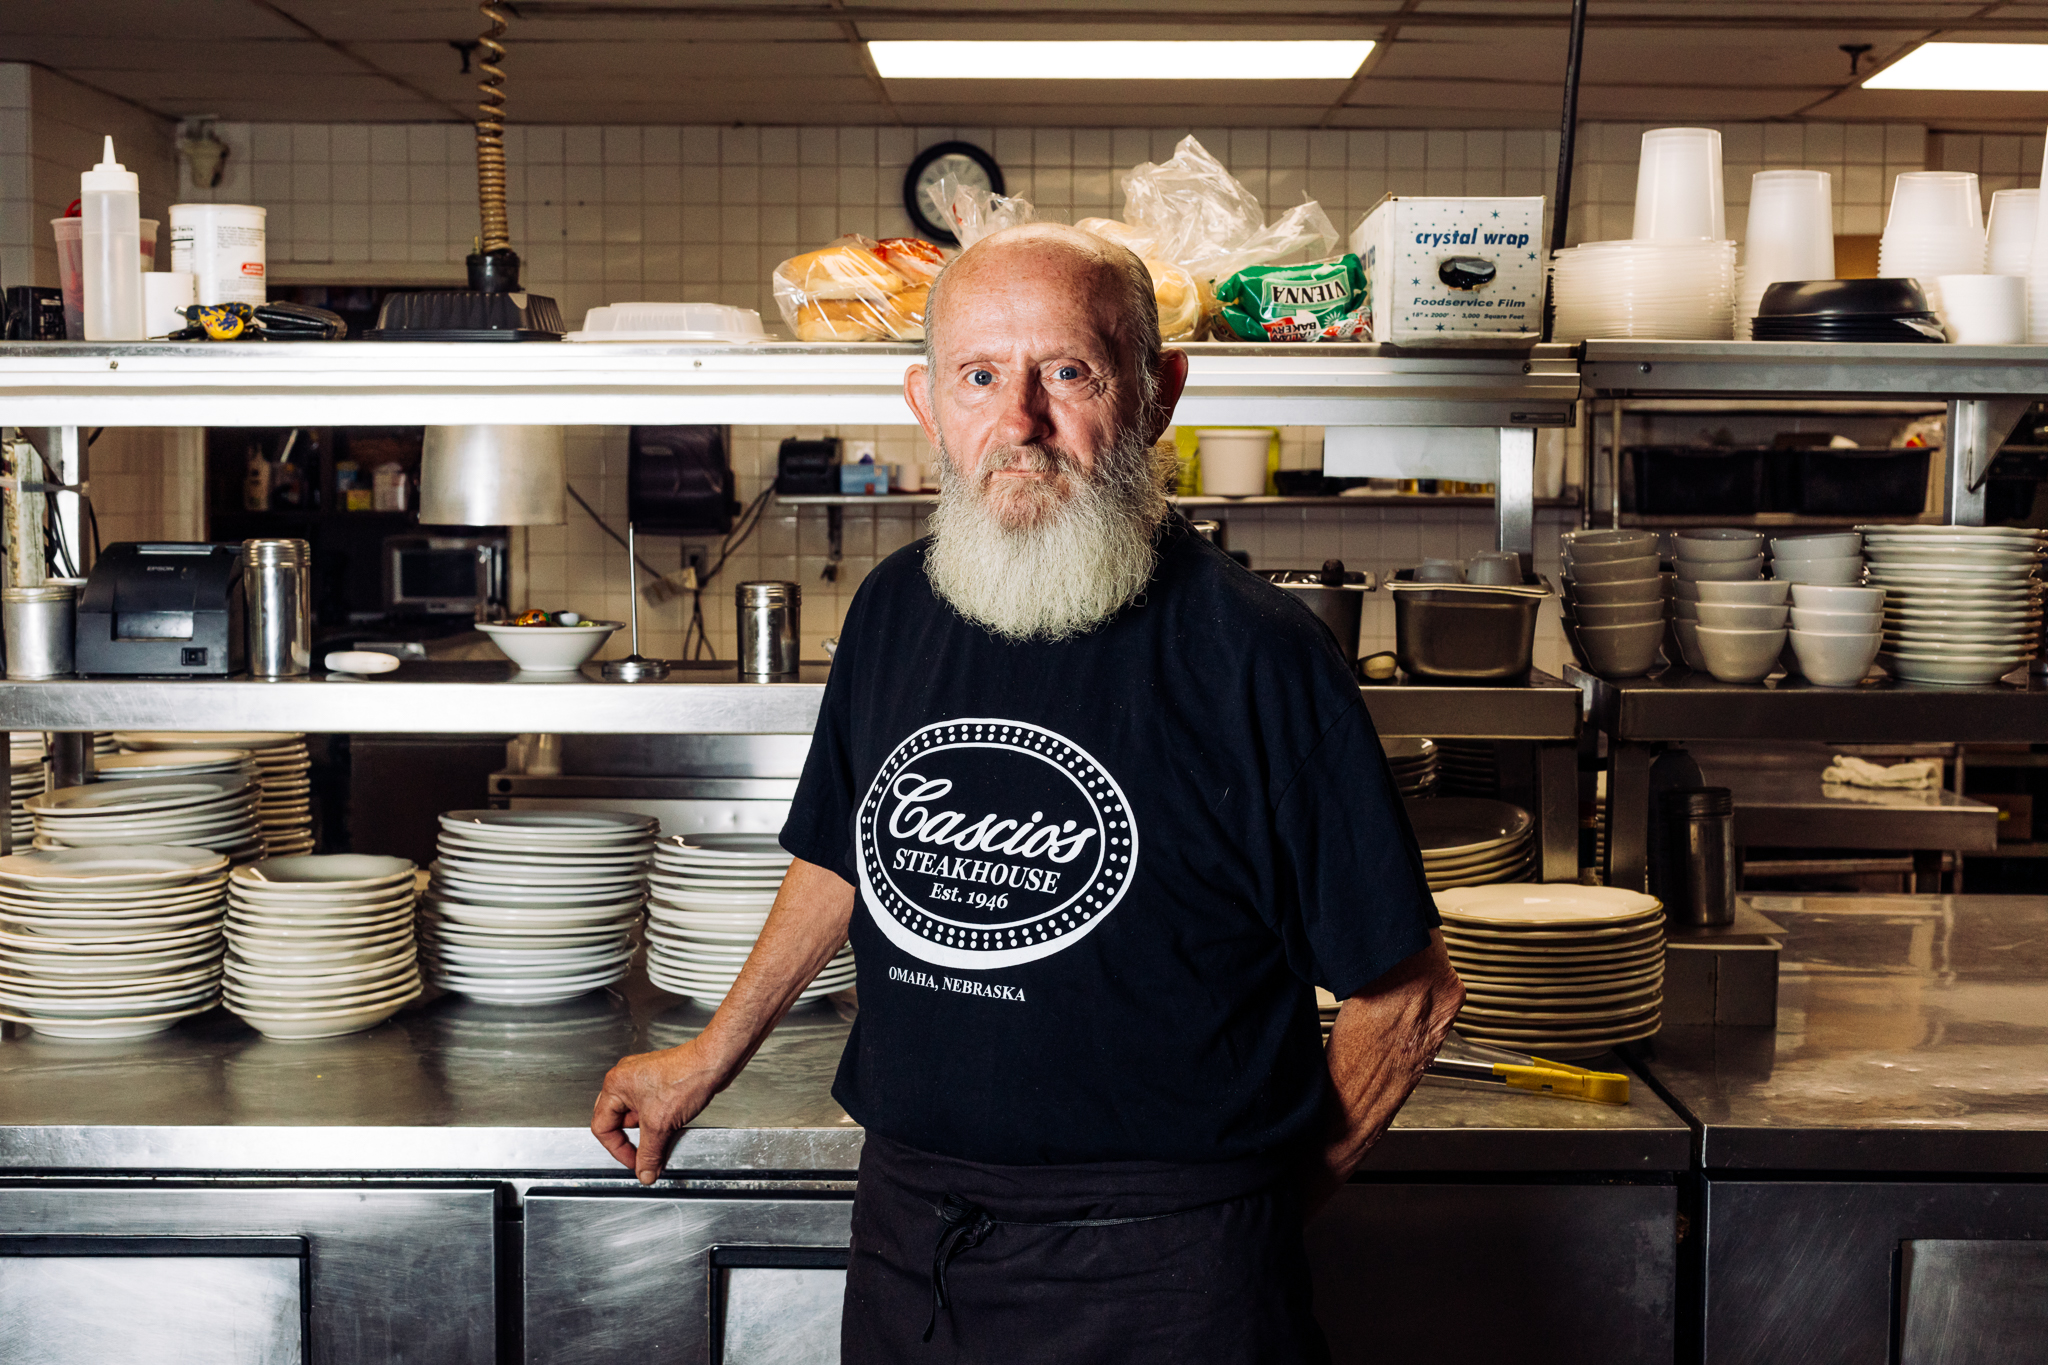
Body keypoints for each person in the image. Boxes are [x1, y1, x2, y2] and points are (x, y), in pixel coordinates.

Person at [592, 222, 1465, 1364]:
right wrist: (706, 1056)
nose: (1020, 422)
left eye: (1067, 371)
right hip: (914, 1231)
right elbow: (840, 854)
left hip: (1169, 1266)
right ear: (924, 401)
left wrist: (1247, 1226)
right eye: (979, 376)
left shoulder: (1255, 653)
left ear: (1158, 395)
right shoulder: (895, 610)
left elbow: (1404, 997)